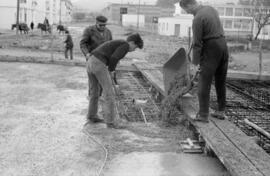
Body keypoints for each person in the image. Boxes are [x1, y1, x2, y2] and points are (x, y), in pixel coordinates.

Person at [179, 0, 228, 122]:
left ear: (189, 5)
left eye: (187, 10)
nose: (188, 12)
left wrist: (195, 64)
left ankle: (203, 114)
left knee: (204, 81)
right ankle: (221, 111)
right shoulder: (211, 9)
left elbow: (197, 44)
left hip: (211, 48)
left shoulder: (197, 19)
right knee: (220, 80)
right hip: (223, 45)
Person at [86, 33, 143, 129]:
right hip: (99, 63)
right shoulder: (125, 45)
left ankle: (92, 116)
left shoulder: (118, 42)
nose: (133, 50)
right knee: (109, 94)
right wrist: (111, 70)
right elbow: (114, 58)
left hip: (90, 62)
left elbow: (112, 56)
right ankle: (111, 122)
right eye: (135, 47)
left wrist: (111, 69)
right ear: (132, 42)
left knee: (94, 92)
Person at [80, 15, 113, 98]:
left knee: (103, 81)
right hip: (93, 59)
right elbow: (83, 43)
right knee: (93, 82)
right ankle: (92, 98)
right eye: (100, 25)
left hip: (104, 61)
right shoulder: (89, 30)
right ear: (96, 23)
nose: (103, 27)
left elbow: (111, 45)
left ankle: (100, 98)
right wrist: (87, 54)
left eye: (104, 25)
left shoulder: (108, 32)